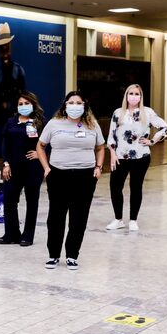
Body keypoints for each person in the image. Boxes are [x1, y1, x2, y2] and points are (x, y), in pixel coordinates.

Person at [36, 91, 105, 270]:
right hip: (58, 175)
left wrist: (98, 168)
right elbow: (40, 146)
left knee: (79, 217)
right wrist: (46, 168)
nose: (75, 106)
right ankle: (53, 255)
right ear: (65, 105)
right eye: (71, 102)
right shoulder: (54, 123)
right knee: (56, 217)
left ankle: (72, 255)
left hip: (85, 176)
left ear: (84, 106)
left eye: (78, 103)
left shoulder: (92, 125)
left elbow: (100, 147)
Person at [106, 84, 167, 232]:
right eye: (131, 93)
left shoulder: (147, 112)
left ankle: (133, 220)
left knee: (136, 187)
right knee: (115, 188)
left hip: (141, 157)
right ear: (126, 95)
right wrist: (113, 154)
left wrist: (152, 141)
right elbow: (112, 136)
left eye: (137, 94)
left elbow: (164, 127)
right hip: (120, 157)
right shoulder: (118, 112)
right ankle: (118, 219)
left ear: (141, 96)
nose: (134, 96)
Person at [0, 91, 45, 246]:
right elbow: (4, 144)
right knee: (9, 200)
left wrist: (40, 155)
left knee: (32, 201)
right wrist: (5, 163)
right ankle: (11, 233)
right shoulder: (11, 122)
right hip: (13, 167)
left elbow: (49, 142)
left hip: (33, 168)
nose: (23, 106)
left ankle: (28, 235)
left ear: (33, 104)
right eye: (21, 104)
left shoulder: (39, 122)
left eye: (27, 103)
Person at [0, 22, 27, 128]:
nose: (5, 53)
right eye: (2, 49)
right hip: (4, 125)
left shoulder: (19, 71)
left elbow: (24, 97)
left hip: (19, 121)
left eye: (7, 48)